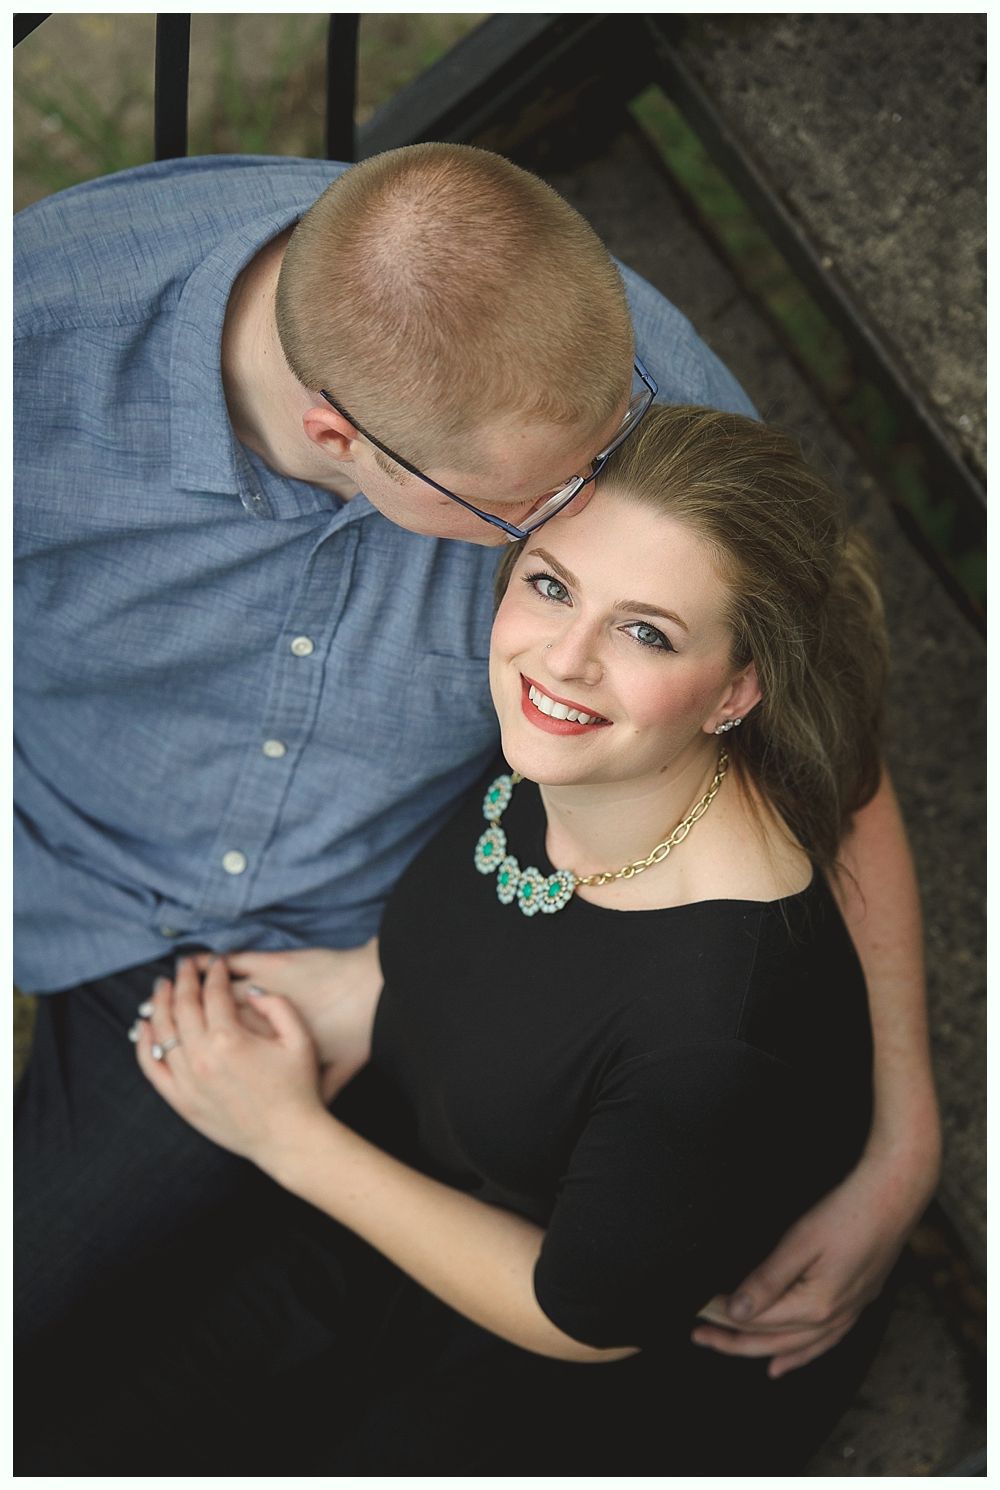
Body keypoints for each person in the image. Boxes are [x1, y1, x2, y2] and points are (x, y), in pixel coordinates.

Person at [14, 143, 937, 1403]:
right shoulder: (42, 341)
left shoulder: (634, 419)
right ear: (340, 434)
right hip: (59, 847)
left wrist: (901, 1138)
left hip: (330, 956)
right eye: (535, 536)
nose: (586, 500)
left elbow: (831, 750)